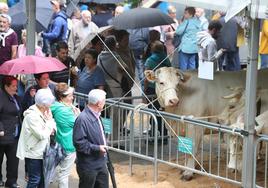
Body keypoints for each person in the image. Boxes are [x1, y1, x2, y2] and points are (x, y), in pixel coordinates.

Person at [16, 89, 56, 188]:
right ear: (43, 104)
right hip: (34, 153)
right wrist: (50, 124)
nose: (51, 105)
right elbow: (42, 134)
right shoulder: (32, 116)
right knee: (35, 180)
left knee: (43, 179)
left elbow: (54, 129)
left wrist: (49, 124)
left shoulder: (45, 111)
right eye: (50, 103)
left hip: (43, 151)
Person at [73, 89, 108, 188]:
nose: (105, 103)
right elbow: (79, 143)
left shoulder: (97, 115)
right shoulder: (82, 119)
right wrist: (97, 148)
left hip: (100, 162)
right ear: (99, 103)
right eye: (104, 101)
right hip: (88, 165)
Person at [50, 83, 80, 188]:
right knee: (64, 174)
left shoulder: (58, 106)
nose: (72, 97)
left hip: (61, 142)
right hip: (68, 145)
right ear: (62, 97)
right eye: (70, 96)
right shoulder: (64, 111)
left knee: (61, 171)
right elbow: (79, 123)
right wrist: (78, 113)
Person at [0, 76, 21, 188]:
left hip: (14, 134)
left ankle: (11, 182)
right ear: (6, 86)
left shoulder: (16, 97)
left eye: (16, 86)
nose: (15, 88)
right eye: (13, 86)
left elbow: (23, 110)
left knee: (13, 161)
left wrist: (31, 97)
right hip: (2, 135)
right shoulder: (1, 96)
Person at [115, 29, 135, 98]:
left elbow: (133, 63)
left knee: (128, 103)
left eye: (128, 39)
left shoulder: (129, 50)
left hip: (129, 80)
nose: (127, 42)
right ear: (119, 41)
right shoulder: (116, 52)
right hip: (121, 83)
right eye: (125, 40)